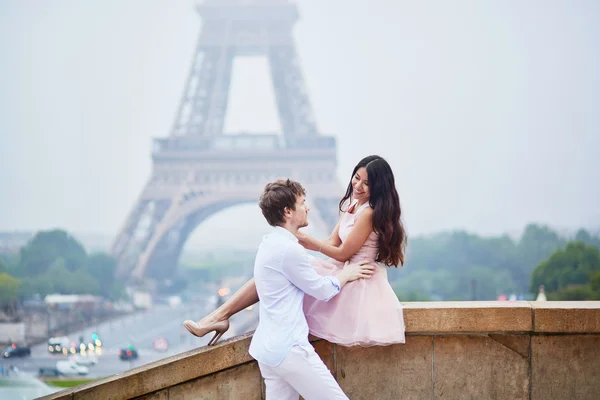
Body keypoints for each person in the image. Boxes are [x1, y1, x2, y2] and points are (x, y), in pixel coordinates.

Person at [183, 155, 407, 347]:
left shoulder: (368, 213)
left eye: (366, 183)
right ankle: (219, 315)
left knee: (280, 271)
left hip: (357, 278)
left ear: (378, 187)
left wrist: (304, 239)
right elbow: (331, 241)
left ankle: (220, 316)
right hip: (343, 270)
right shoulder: (352, 205)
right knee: (278, 270)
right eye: (356, 178)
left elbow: (342, 253)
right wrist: (294, 237)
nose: (358, 186)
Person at [249, 179, 376, 399]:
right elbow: (322, 290)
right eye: (302, 203)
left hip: (267, 351)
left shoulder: (270, 243)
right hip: (290, 350)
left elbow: (305, 269)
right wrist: (345, 274)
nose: (307, 207)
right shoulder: (289, 249)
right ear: (288, 211)